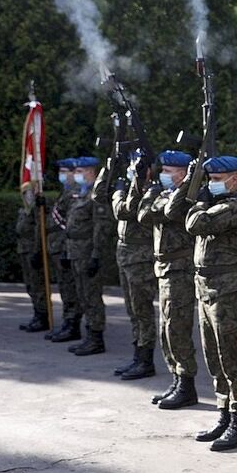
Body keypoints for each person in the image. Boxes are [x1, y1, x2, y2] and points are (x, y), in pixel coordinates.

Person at [181, 155, 237, 451]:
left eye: (214, 179)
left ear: (233, 180)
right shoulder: (217, 203)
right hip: (208, 286)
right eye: (208, 179)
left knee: (232, 357)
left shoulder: (236, 206)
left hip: (228, 290)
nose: (210, 185)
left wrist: (199, 202)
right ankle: (224, 413)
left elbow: (194, 223)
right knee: (214, 356)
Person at [137, 150, 198, 408]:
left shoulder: (189, 196)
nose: (163, 175)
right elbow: (142, 213)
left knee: (177, 327)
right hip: (164, 267)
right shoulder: (163, 193)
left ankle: (186, 384)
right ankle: (176, 378)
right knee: (166, 328)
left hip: (180, 268)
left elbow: (172, 211)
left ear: (183, 174)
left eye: (169, 172)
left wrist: (185, 186)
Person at [108, 151, 158, 380]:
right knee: (132, 310)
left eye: (136, 166)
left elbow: (125, 210)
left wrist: (121, 190)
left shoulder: (151, 190)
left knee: (143, 311)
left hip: (141, 258)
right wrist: (109, 168)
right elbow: (100, 194)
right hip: (126, 257)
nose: (132, 169)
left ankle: (146, 360)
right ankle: (138, 355)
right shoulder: (136, 188)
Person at [65, 156, 112, 357]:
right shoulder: (79, 193)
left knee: (92, 296)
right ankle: (88, 335)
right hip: (76, 251)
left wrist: (96, 256)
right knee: (82, 293)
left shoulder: (96, 196)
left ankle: (96, 338)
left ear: (91, 173)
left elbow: (101, 229)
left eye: (81, 171)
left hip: (88, 252)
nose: (78, 175)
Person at [44, 158, 81, 342]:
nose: (63, 175)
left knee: (69, 287)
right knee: (65, 287)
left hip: (66, 247)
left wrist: (66, 248)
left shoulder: (75, 193)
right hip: (58, 246)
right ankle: (68, 322)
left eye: (66, 171)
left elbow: (71, 224)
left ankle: (72, 324)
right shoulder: (66, 191)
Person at [16, 188, 48, 332]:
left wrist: (37, 251)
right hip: (23, 249)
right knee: (30, 285)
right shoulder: (26, 208)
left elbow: (38, 230)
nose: (26, 193)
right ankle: (37, 314)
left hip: (32, 250)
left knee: (37, 285)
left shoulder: (38, 208)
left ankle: (42, 317)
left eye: (28, 190)